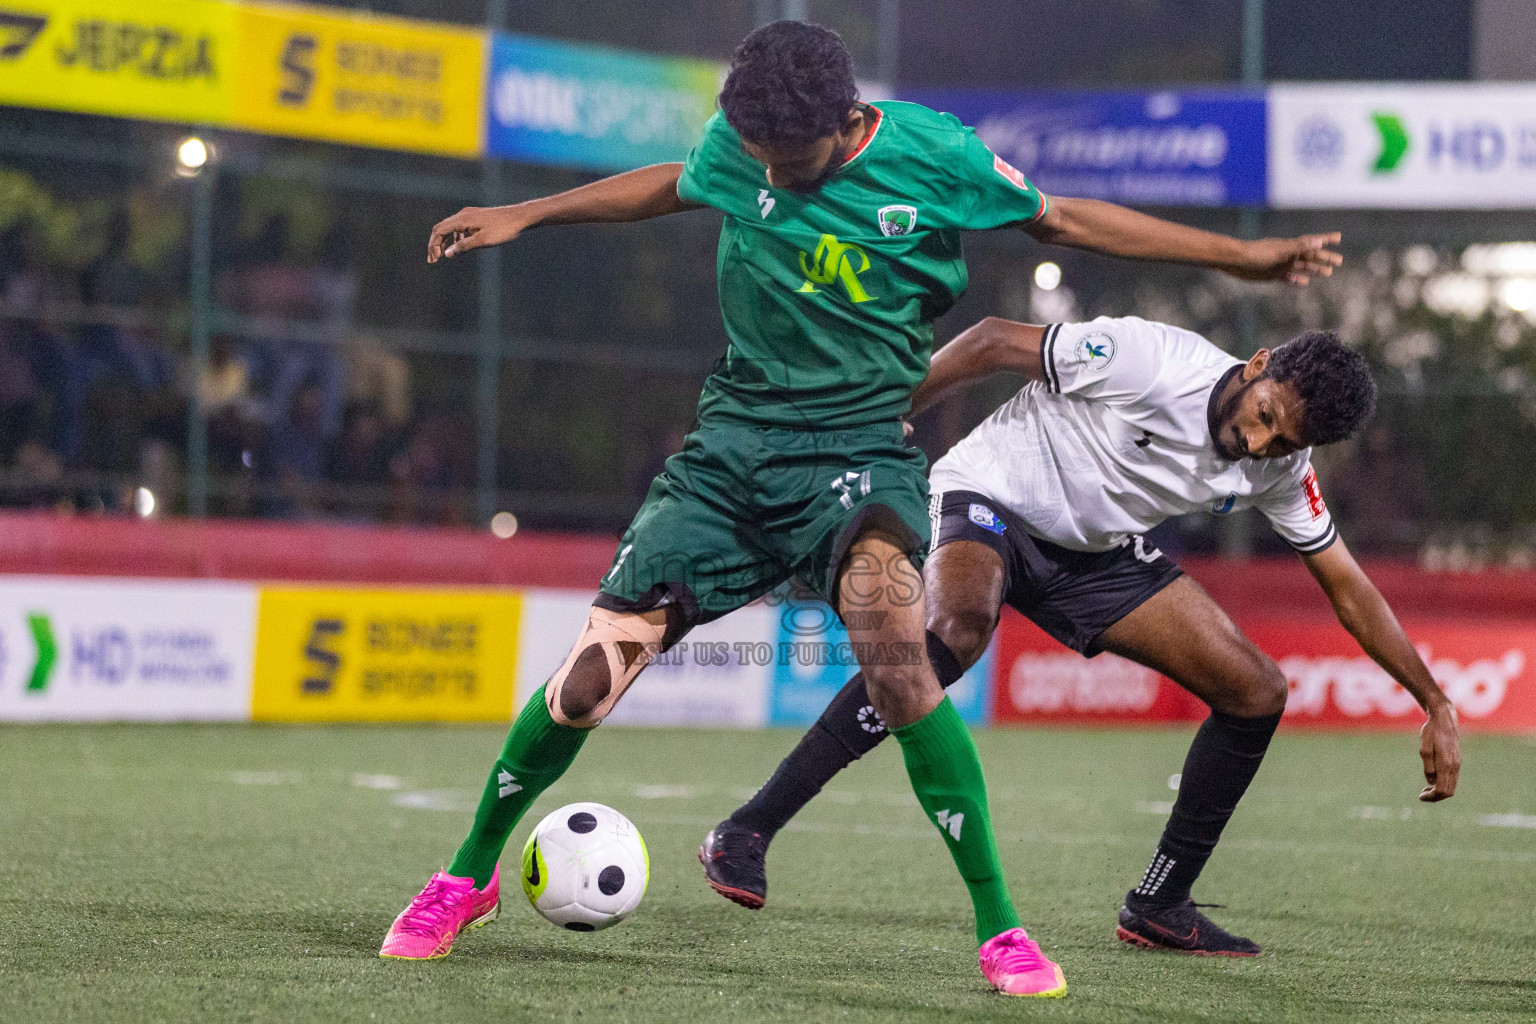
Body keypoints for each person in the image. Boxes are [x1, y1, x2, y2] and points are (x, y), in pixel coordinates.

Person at [382, 21, 1344, 996]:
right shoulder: (746, 135)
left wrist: (1242, 257)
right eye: (753, 151)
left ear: (845, 124)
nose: (764, 170)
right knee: (589, 680)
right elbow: (675, 181)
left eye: (784, 159)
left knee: (899, 659)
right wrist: (528, 213)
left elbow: (1067, 220)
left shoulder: (936, 155)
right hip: (730, 454)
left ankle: (1000, 928)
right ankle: (465, 874)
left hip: (859, 455)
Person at [702, 315, 1462, 957]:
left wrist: (1433, 700)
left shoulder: (1279, 464)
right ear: (1258, 365)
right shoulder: (1152, 359)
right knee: (956, 629)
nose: (1258, 445)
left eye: (1281, 441)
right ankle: (747, 830)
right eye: (1265, 417)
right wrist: (883, 416)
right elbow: (995, 340)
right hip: (990, 496)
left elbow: (1348, 586)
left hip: (1093, 555)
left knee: (1256, 690)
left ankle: (1161, 904)